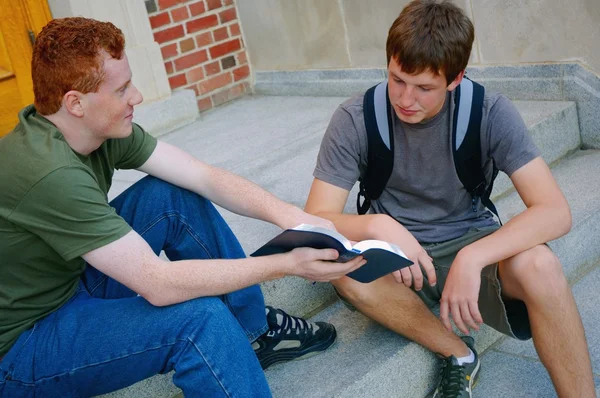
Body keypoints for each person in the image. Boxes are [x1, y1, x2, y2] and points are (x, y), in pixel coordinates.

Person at [0, 17, 367, 397]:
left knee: (170, 194)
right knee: (198, 320)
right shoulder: (49, 173)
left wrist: (292, 217)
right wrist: (286, 265)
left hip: (70, 280)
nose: (137, 97)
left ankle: (253, 334)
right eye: (122, 88)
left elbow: (201, 176)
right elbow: (157, 285)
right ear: (75, 102)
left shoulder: (93, 129)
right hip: (23, 344)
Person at [304, 1, 595, 397]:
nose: (406, 99)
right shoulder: (355, 118)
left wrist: (472, 258)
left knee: (542, 266)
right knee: (345, 270)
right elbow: (314, 219)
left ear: (456, 79)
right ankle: (458, 352)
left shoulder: (490, 112)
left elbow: (555, 212)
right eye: (397, 79)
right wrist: (377, 223)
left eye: (424, 87)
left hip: (471, 240)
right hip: (399, 262)